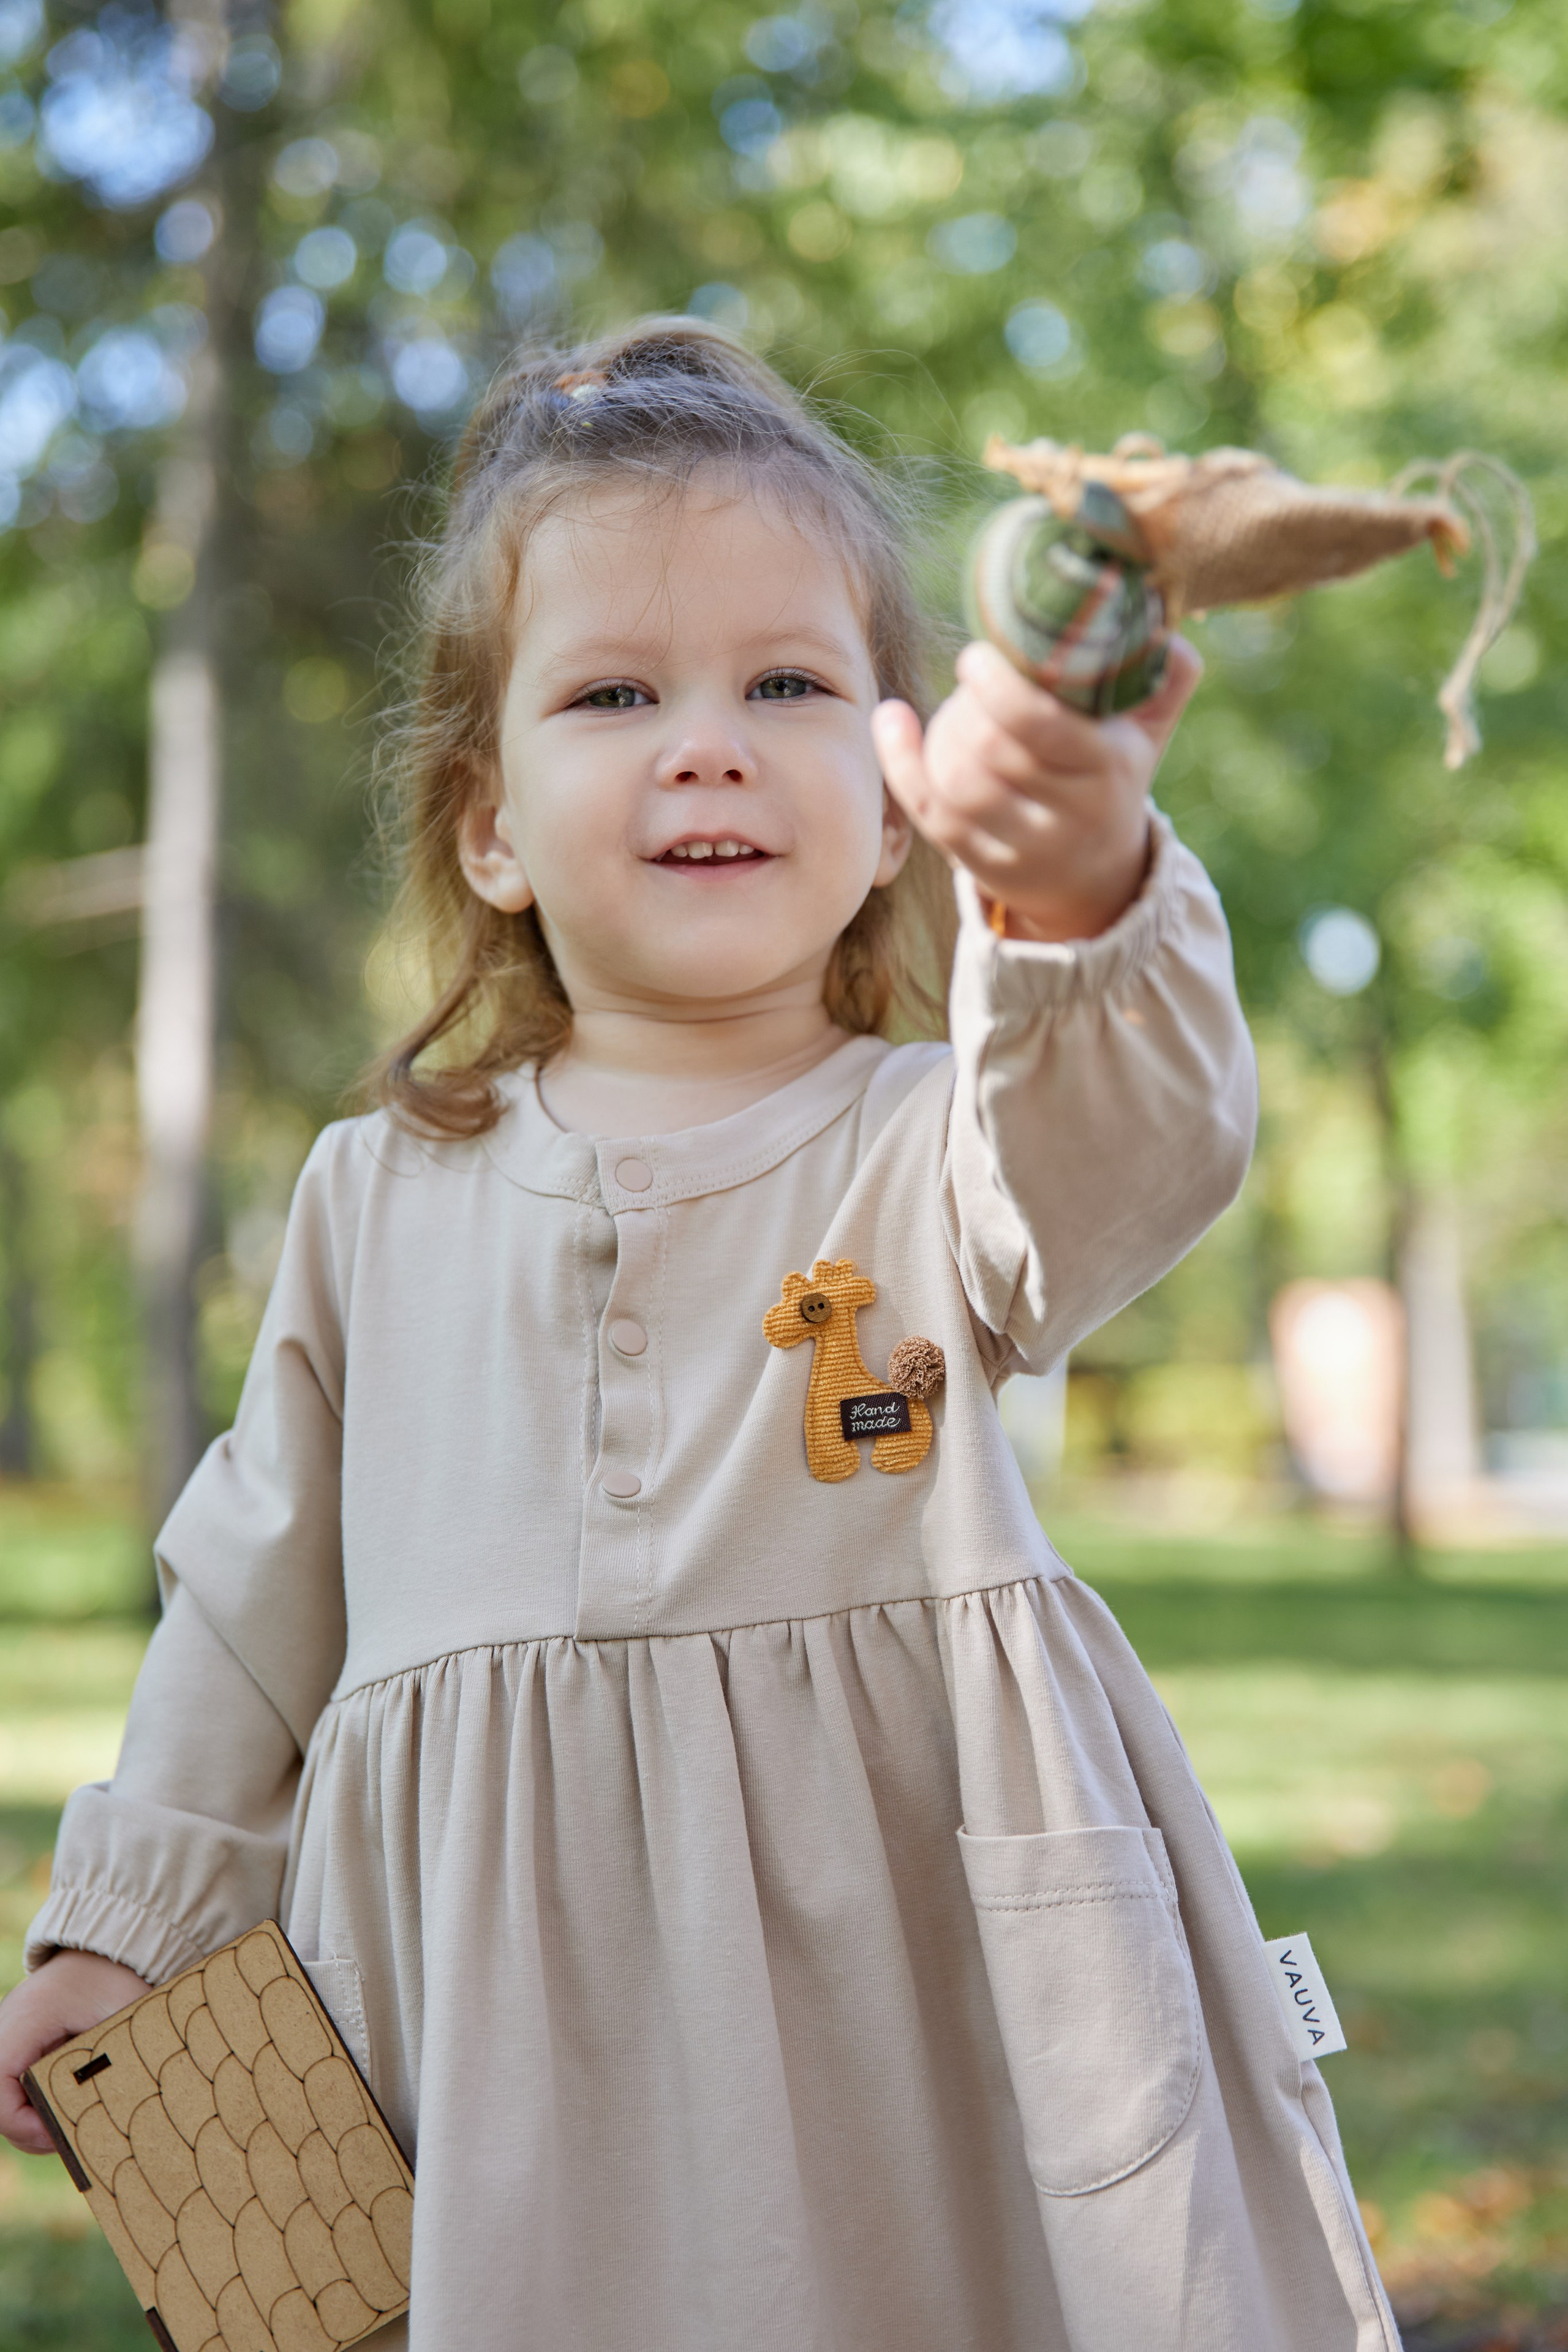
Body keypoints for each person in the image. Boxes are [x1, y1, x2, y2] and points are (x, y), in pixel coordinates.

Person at [0, 318, 1398, 2352]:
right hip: (494, 2054)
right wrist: (126, 1929)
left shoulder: (937, 1144)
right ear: (487, 823)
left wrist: (1080, 873)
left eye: (789, 684)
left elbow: (1125, 1156)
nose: (708, 741)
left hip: (903, 2032)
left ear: (902, 790)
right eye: (617, 691)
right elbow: (245, 1605)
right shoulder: (375, 1199)